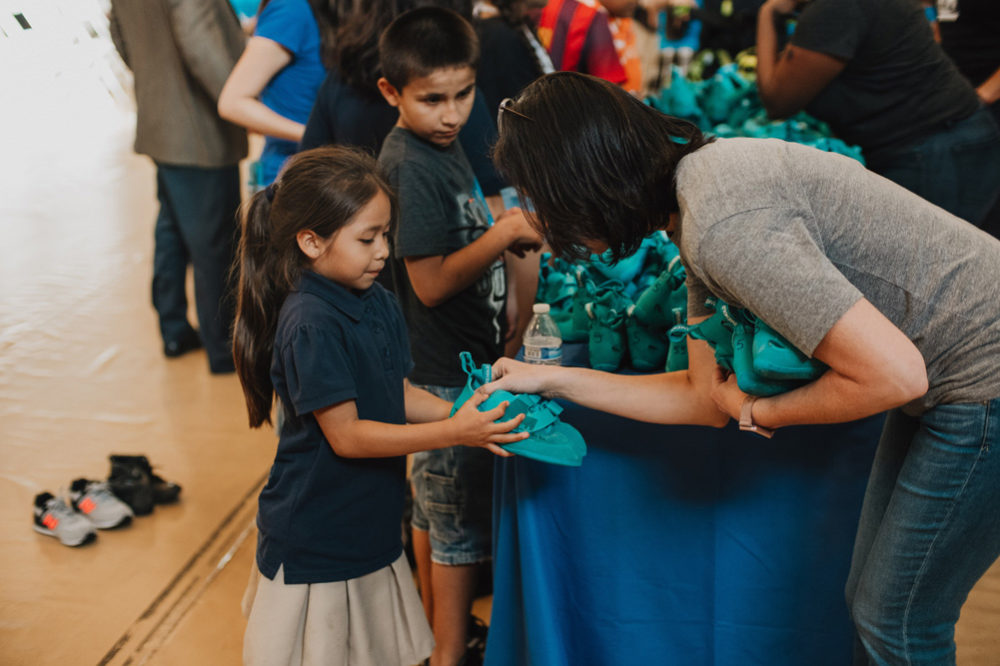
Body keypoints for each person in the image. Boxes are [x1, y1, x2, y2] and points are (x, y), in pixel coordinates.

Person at [485, 72, 1000, 665]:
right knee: (873, 606)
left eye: (542, 199)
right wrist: (551, 377)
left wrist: (760, 410)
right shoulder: (702, 188)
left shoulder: (723, 225)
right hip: (953, 378)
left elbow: (895, 376)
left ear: (585, 182)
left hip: (979, 380)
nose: (541, 221)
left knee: (899, 623)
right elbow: (703, 397)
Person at [231, 145, 527, 666]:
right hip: (318, 537)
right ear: (311, 242)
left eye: (386, 233)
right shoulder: (311, 323)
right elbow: (348, 435)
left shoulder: (375, 299)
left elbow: (396, 393)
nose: (383, 250)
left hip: (368, 525)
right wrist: (455, 434)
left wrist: (464, 411)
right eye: (367, 238)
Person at [375, 8, 543, 666]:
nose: (451, 113)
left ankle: (430, 633)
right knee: (457, 523)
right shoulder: (411, 164)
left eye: (463, 94)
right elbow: (430, 284)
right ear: (391, 92)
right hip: (442, 371)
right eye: (432, 100)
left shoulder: (441, 147)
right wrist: (500, 237)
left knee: (433, 511)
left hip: (461, 359)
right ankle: (446, 654)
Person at [754, 0, 1000, 231]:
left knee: (923, 268)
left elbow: (778, 100)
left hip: (934, 151)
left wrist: (769, 12)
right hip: (944, 140)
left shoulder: (836, 7)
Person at [109, 0, 247, 374]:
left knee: (172, 230)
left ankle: (174, 330)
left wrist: (157, 77)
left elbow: (120, 35)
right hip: (199, 131)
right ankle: (223, 348)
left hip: (161, 120)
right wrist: (240, 100)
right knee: (214, 243)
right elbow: (200, 43)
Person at [218, 0, 336, 187]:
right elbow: (233, 103)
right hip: (294, 178)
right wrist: (314, 134)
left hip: (333, 171)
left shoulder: (338, 10)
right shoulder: (291, 9)